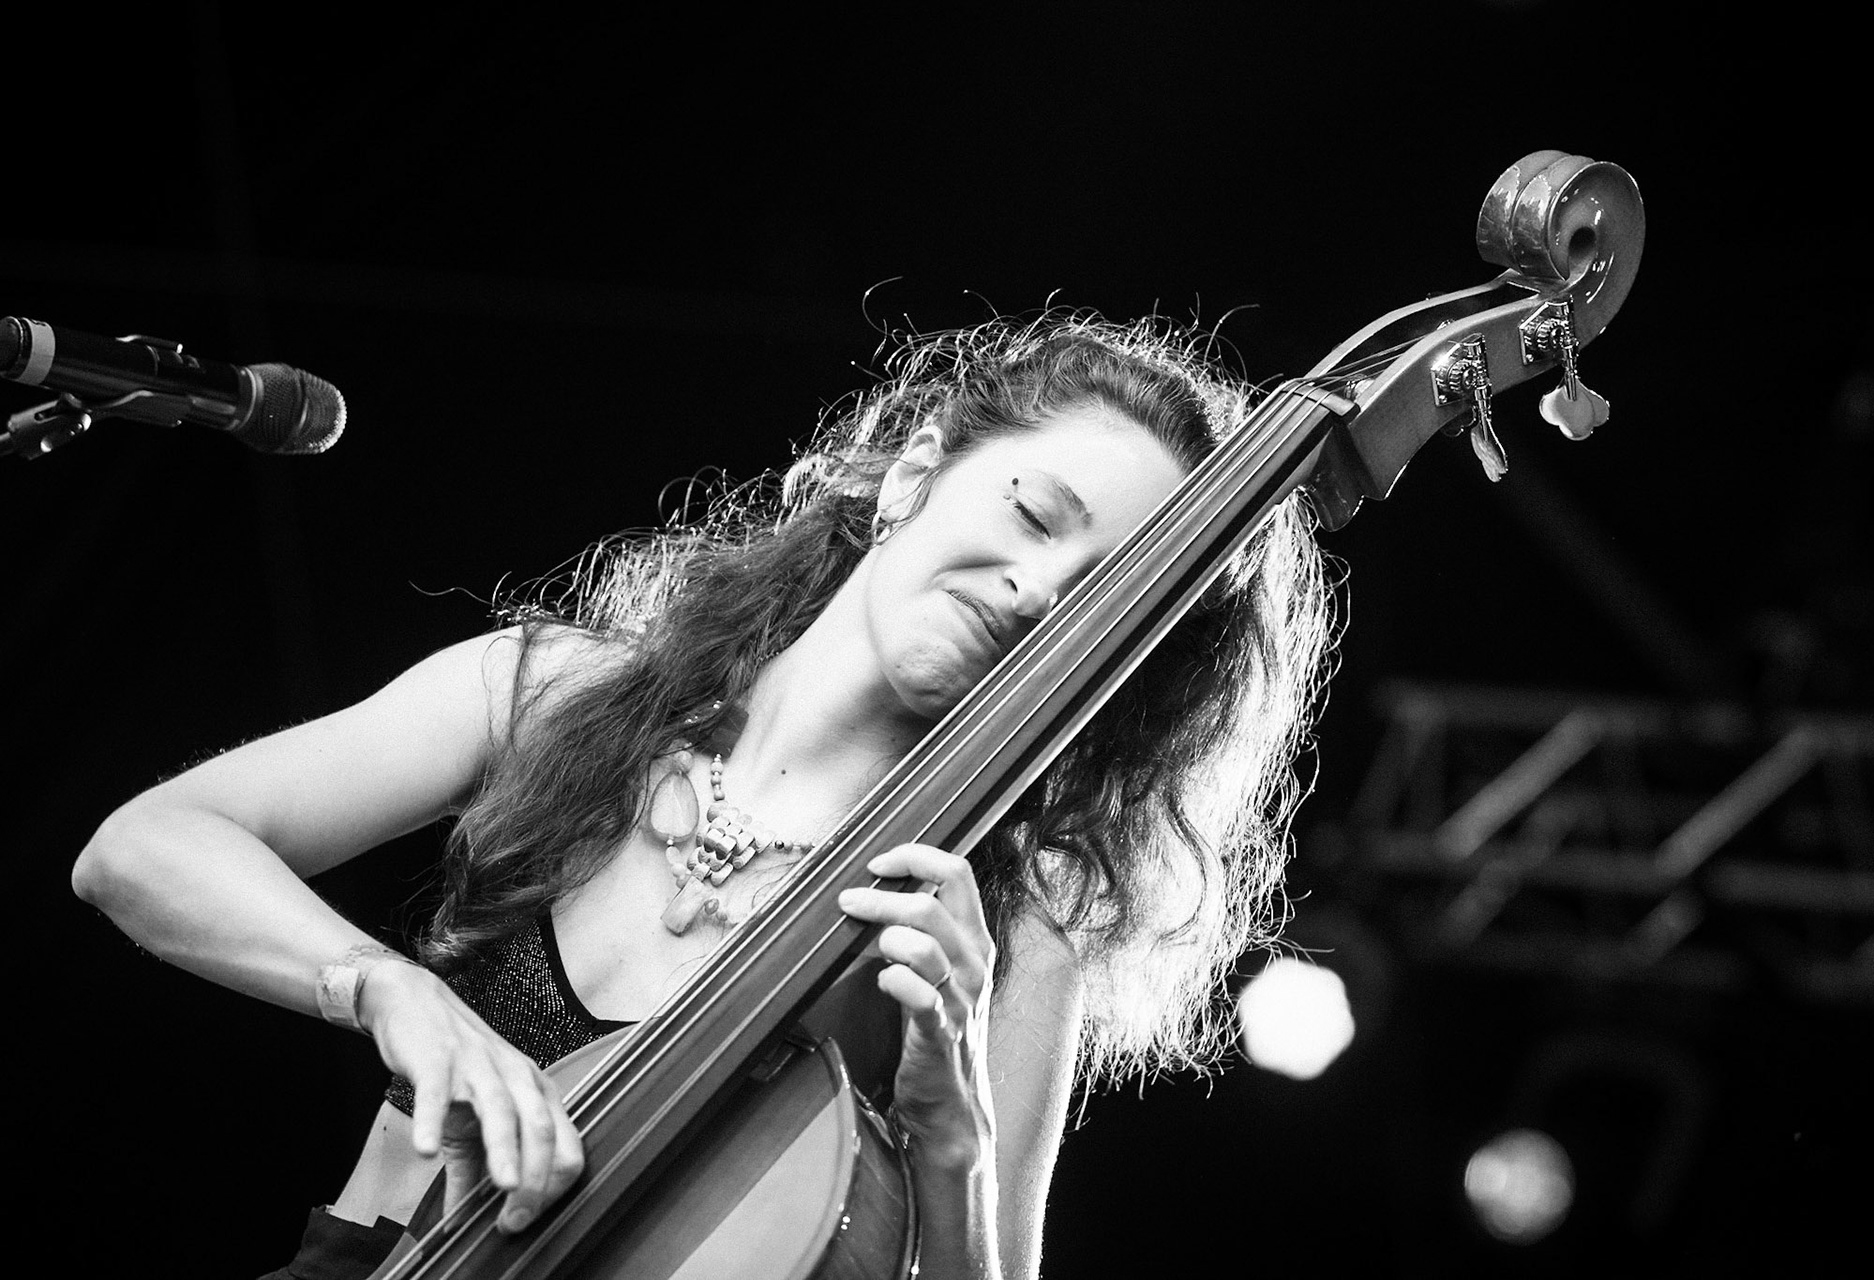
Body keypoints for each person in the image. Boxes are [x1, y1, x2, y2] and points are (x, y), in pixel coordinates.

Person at [72, 313, 1336, 1280]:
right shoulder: (555, 692)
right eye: (1034, 514)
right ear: (914, 474)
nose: (1036, 588)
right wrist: (386, 988)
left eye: (1098, 595)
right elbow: (143, 846)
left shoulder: (1006, 917)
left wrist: (950, 1130)